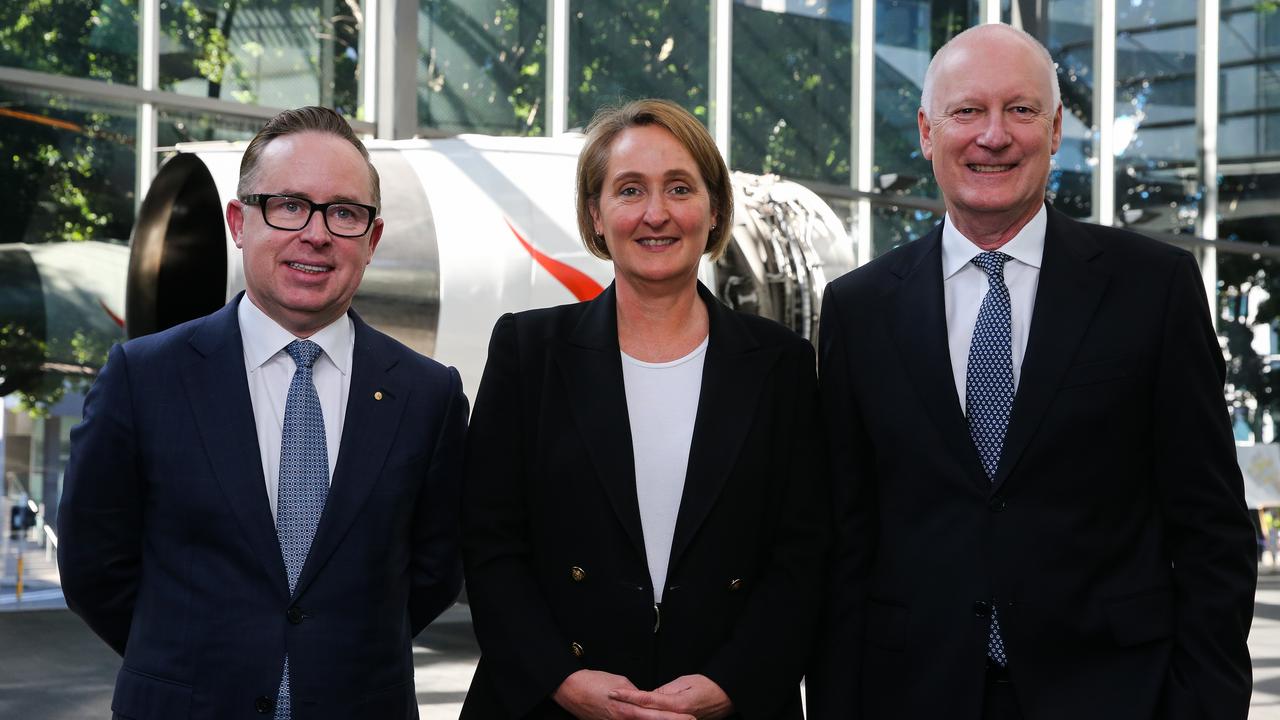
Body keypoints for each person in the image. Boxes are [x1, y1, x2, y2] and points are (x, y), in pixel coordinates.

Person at [806, 23, 1256, 720]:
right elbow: (843, 541)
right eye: (967, 112)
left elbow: (1212, 530)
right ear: (928, 132)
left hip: (1119, 696)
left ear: (1054, 131)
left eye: (1019, 110)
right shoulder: (858, 309)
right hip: (912, 695)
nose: (994, 135)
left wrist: (1204, 704)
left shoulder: (1152, 289)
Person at [57, 106, 467, 719]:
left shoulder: (428, 395)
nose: (317, 234)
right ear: (238, 221)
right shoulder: (143, 378)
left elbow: (436, 570)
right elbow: (94, 566)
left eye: (345, 213)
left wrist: (327, 653)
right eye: (289, 205)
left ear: (373, 239)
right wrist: (190, 657)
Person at [460, 98, 828, 719]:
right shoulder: (529, 351)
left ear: (713, 210)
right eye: (629, 190)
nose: (656, 214)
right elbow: (489, 544)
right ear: (595, 216)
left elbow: (805, 556)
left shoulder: (780, 364)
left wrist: (731, 681)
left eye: (679, 188)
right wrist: (564, 679)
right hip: (549, 704)